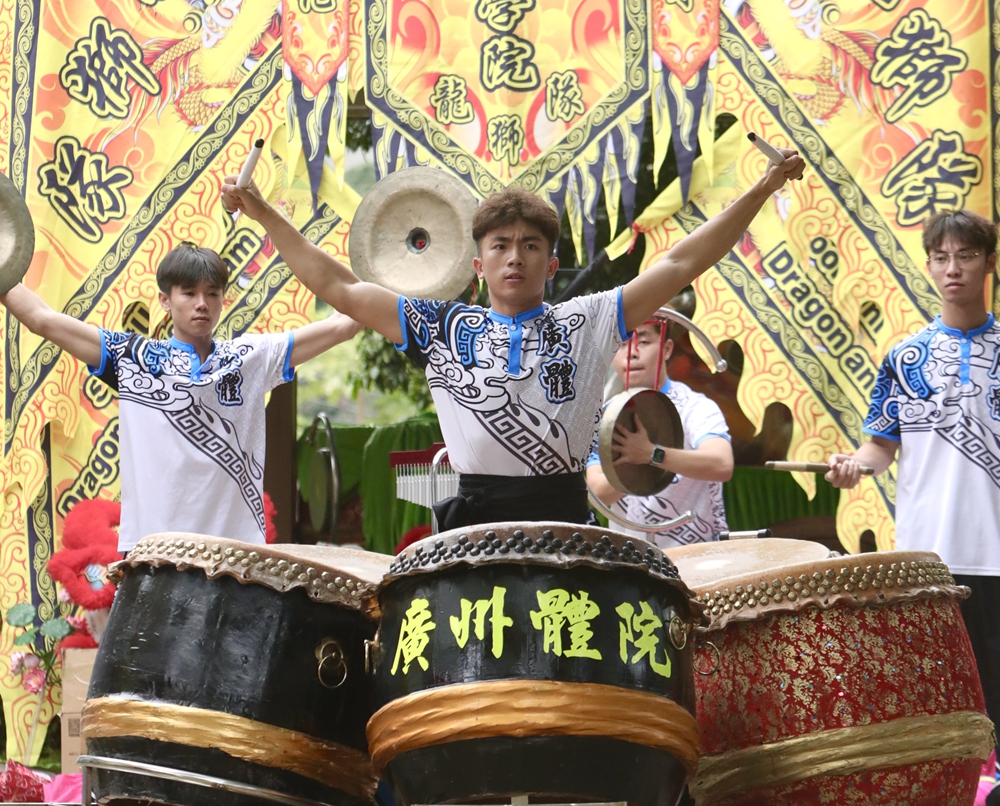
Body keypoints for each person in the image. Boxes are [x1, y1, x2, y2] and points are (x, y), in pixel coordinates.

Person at [222, 147, 803, 527]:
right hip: (470, 526)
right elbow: (342, 286)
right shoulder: (438, 326)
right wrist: (264, 213)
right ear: (478, 266)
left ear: (552, 265)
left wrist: (762, 188)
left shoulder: (589, 318)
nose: (514, 258)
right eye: (499, 246)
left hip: (564, 521)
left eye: (530, 246)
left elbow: (679, 264)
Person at [1, 244, 360, 551]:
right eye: (188, 293)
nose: (201, 304)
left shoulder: (252, 357)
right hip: (153, 555)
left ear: (223, 299)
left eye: (212, 293)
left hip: (233, 558)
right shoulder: (133, 358)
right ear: (165, 300)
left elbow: (344, 323)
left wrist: (397, 272)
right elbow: (40, 319)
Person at [826, 209, 1000, 740]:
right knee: (943, 690)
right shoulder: (904, 357)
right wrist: (855, 466)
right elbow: (881, 445)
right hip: (931, 556)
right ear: (928, 265)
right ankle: (958, 805)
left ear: (989, 263)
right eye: (942, 257)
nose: (954, 269)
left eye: (967, 256)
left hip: (996, 552)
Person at [586, 311, 733, 545]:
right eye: (621, 344)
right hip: (633, 563)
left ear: (667, 349)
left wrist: (652, 454)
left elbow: (721, 465)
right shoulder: (602, 417)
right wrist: (633, 461)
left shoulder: (695, 407)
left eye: (643, 342)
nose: (631, 352)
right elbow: (600, 493)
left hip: (697, 556)